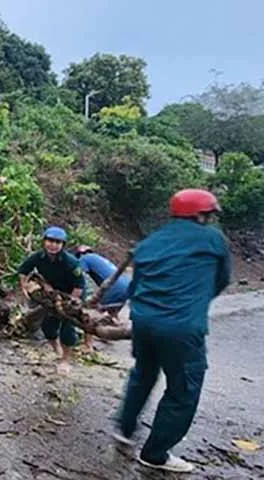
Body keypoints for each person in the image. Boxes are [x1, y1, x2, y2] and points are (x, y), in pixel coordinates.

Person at [114, 189, 231, 473]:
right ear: (201, 215)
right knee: (183, 389)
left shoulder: (150, 242)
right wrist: (193, 300)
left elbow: (136, 285)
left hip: (143, 322)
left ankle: (124, 429)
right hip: (182, 327)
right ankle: (155, 453)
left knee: (143, 373)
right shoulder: (214, 239)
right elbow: (222, 280)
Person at [17, 226, 85, 374]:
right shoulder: (38, 257)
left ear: (62, 245)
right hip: (52, 294)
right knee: (48, 326)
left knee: (67, 327)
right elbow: (23, 270)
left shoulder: (70, 262)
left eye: (57, 242)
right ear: (44, 241)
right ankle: (58, 352)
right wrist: (24, 287)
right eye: (50, 241)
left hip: (71, 294)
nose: (53, 245)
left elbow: (79, 285)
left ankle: (65, 360)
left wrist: (70, 304)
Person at [73, 246, 133, 351]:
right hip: (127, 285)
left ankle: (88, 345)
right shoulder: (100, 258)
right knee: (112, 313)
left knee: (89, 313)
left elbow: (81, 279)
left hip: (114, 287)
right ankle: (110, 333)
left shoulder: (84, 259)